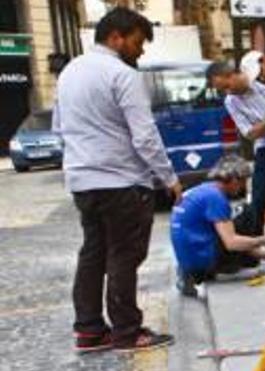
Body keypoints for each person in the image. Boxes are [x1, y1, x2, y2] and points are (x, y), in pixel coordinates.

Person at [54, 7, 182, 352]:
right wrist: (169, 177)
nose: (140, 51)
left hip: (82, 180)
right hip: (121, 181)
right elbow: (144, 135)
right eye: (138, 43)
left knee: (93, 253)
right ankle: (128, 331)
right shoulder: (122, 75)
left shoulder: (69, 73)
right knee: (124, 255)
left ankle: (89, 330)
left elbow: (59, 128)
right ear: (116, 37)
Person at [171, 155, 265, 298]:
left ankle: (189, 271)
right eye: (243, 181)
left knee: (231, 225)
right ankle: (207, 269)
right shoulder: (216, 198)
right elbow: (231, 243)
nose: (243, 187)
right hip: (202, 260)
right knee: (247, 213)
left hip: (188, 257)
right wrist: (263, 240)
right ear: (234, 179)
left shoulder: (202, 190)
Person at [206, 58, 265, 236]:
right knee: (259, 197)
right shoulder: (231, 101)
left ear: (233, 74)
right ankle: (254, 244)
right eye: (222, 90)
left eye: (226, 86)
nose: (227, 92)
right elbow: (249, 133)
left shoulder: (264, 82)